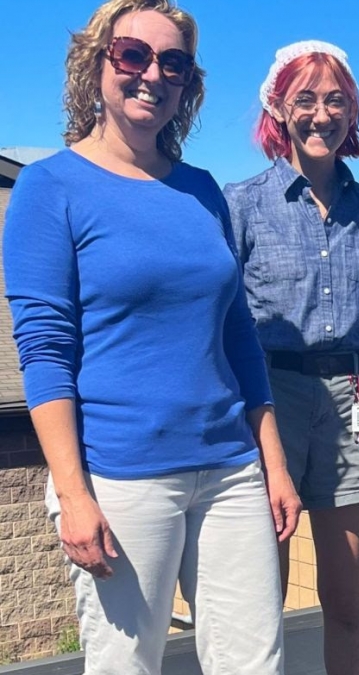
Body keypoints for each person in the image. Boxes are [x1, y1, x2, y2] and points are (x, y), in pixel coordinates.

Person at [2, 1, 301, 673]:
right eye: (132, 54)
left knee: (256, 661)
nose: (151, 74)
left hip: (230, 468)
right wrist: (73, 494)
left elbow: (238, 337)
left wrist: (273, 464)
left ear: (188, 84)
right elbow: (45, 352)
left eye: (173, 63)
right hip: (121, 475)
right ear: (97, 63)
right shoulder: (50, 187)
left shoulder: (201, 191)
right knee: (126, 663)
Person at [223, 40, 359, 675]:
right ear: (279, 107)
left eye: (335, 100)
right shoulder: (241, 204)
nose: (321, 114)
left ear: (352, 112)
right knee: (258, 599)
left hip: (347, 405)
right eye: (305, 99)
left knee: (345, 600)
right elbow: (221, 324)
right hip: (264, 405)